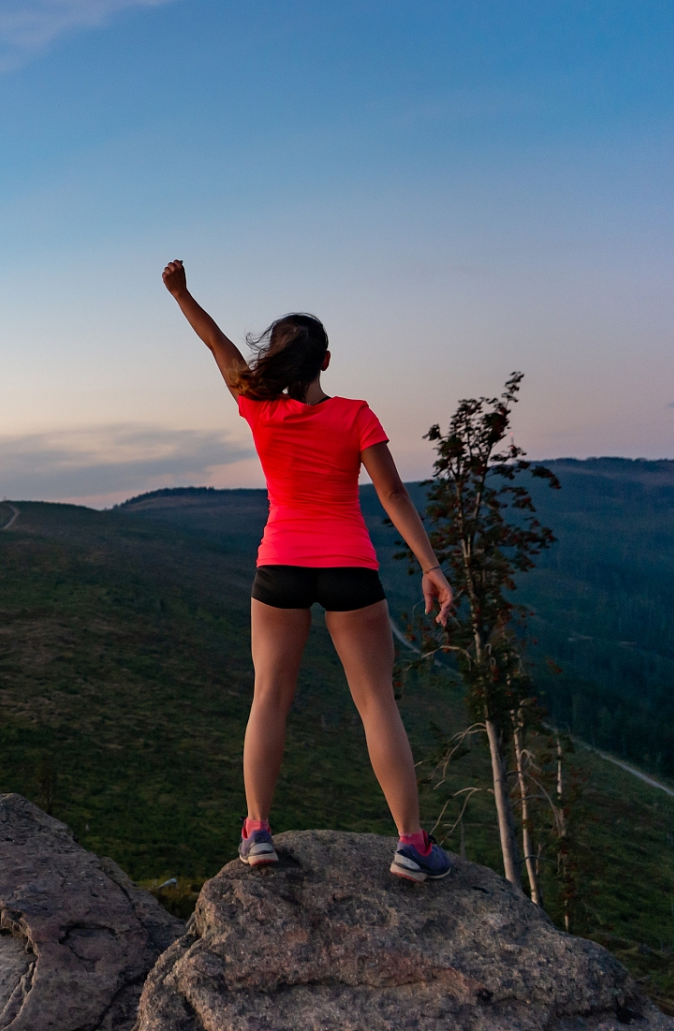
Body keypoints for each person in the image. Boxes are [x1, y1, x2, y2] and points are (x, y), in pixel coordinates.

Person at [162, 259, 457, 882]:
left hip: (281, 566)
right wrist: (430, 566)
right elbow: (395, 495)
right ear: (326, 362)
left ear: (275, 362)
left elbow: (216, 344)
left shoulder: (258, 408)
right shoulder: (355, 415)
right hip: (350, 566)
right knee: (377, 701)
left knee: (269, 695)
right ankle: (411, 844)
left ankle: (258, 831)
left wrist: (182, 292)